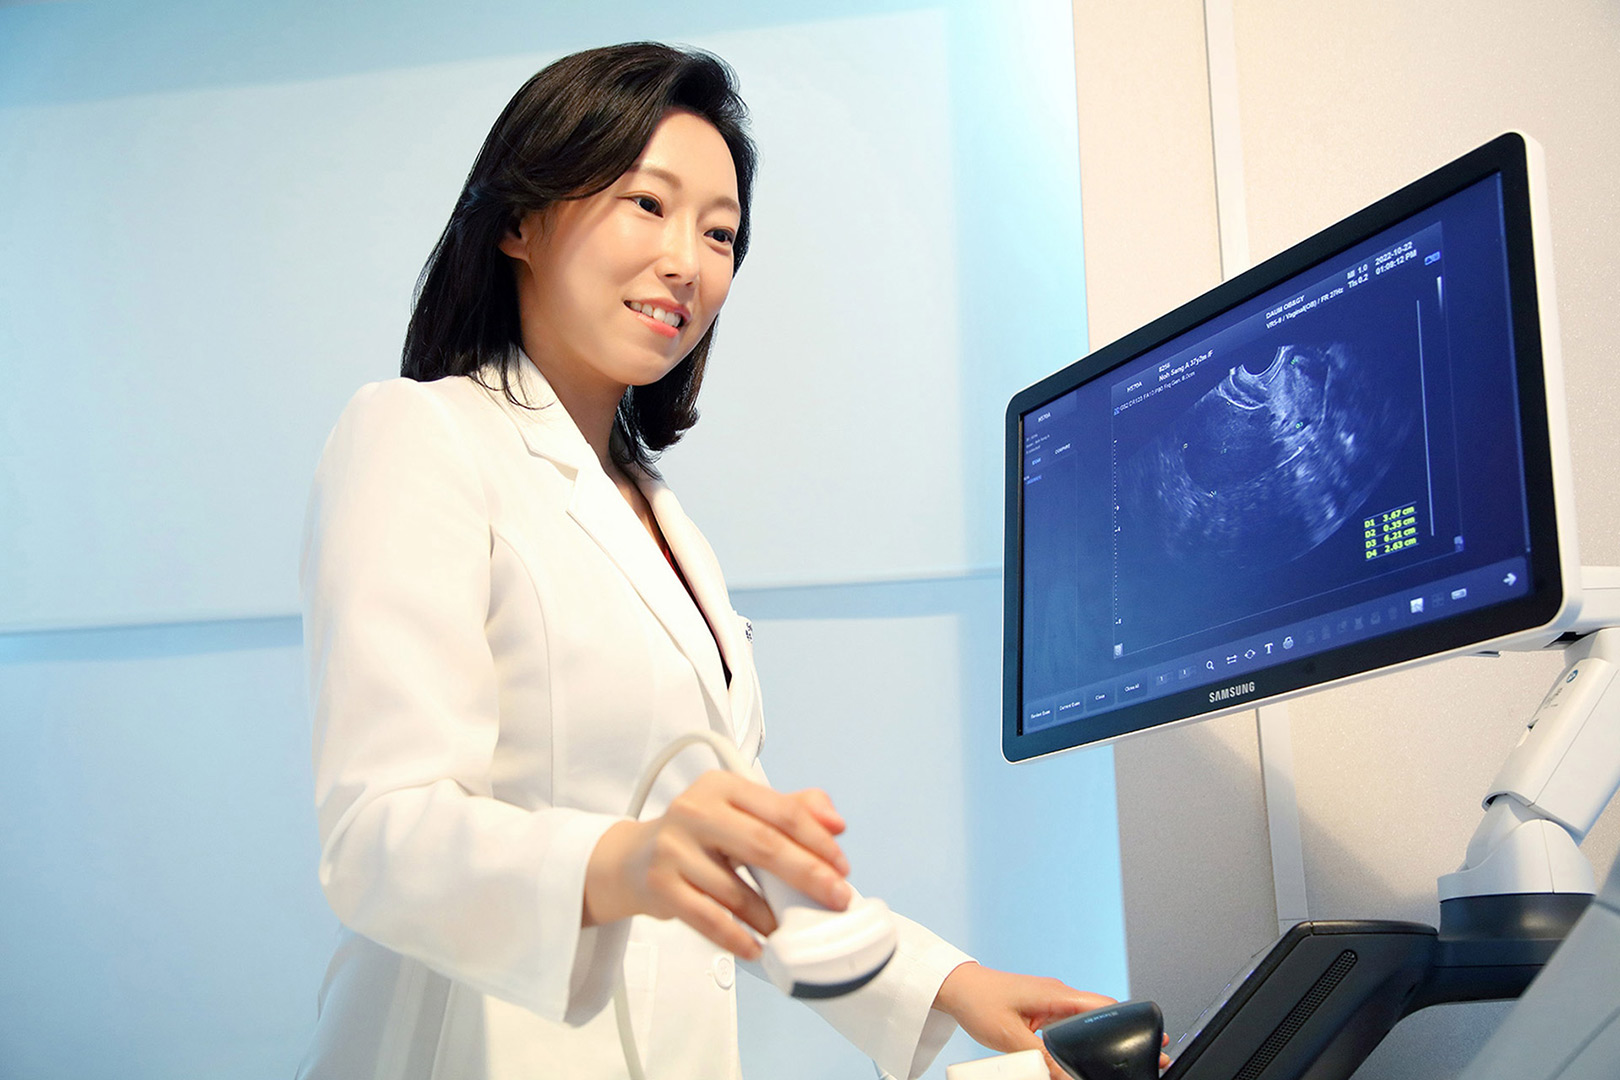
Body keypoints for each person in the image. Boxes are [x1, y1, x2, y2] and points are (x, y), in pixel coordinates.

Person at [297, 42, 1114, 1080]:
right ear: (518, 221)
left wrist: (951, 986)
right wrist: (622, 860)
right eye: (648, 204)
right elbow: (381, 838)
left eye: (720, 233)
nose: (687, 262)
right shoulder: (418, 434)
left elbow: (737, 861)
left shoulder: (663, 519)